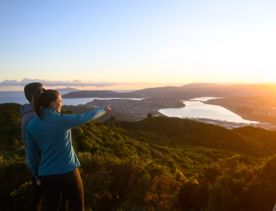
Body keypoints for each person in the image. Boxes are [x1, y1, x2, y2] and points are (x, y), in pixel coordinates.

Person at [25, 89, 111, 211]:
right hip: (69, 172)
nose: (62, 103)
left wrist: (36, 176)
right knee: (77, 206)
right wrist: (104, 110)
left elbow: (32, 156)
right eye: (60, 100)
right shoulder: (62, 120)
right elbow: (86, 117)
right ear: (53, 103)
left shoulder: (31, 125)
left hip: (47, 175)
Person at [20, 82, 44, 211]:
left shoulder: (33, 114)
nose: (44, 92)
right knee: (38, 200)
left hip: (41, 165)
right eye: (41, 91)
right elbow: (31, 149)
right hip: (41, 167)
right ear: (33, 96)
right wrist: (37, 175)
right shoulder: (32, 117)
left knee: (38, 198)